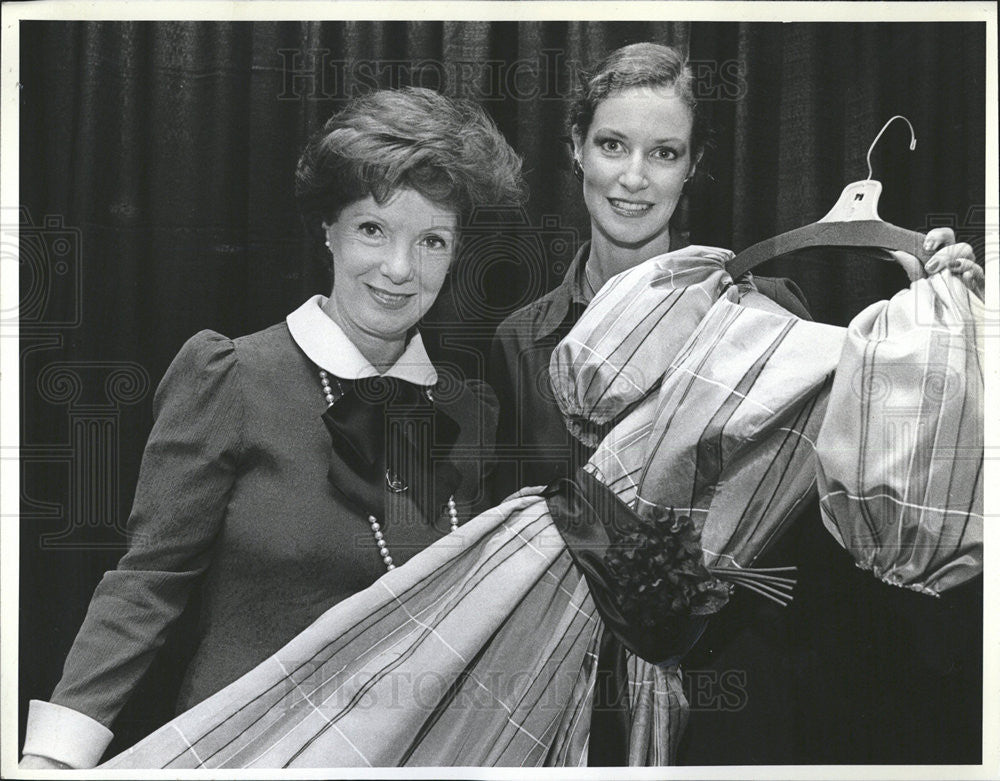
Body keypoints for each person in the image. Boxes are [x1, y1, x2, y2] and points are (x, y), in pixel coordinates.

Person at [488, 42, 983, 764]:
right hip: (568, 702)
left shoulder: (773, 310)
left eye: (663, 153)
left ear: (692, 166)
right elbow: (516, 546)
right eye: (612, 145)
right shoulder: (520, 340)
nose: (633, 177)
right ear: (575, 148)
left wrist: (949, 321)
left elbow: (866, 497)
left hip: (740, 702)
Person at [20, 86, 527, 770]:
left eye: (431, 240)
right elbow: (146, 584)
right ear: (329, 228)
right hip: (243, 751)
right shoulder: (231, 376)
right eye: (373, 229)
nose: (399, 269)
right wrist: (54, 757)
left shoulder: (469, 409)